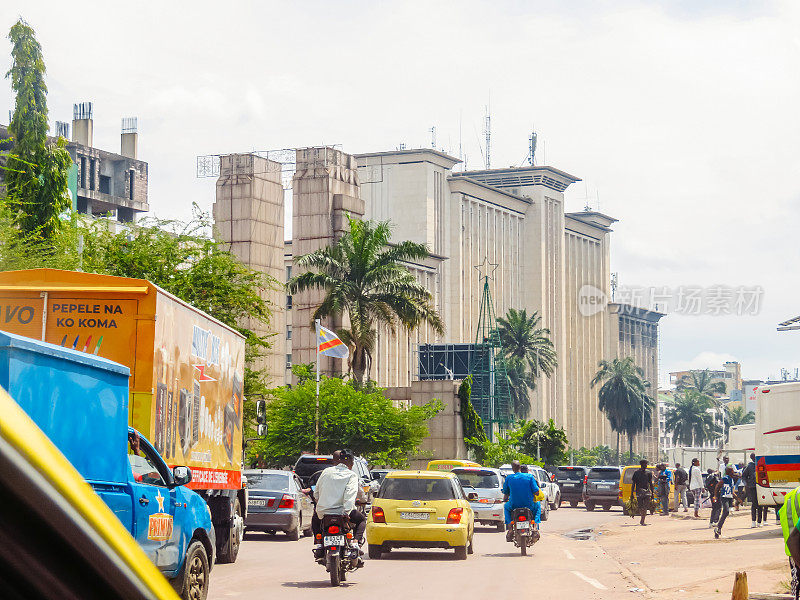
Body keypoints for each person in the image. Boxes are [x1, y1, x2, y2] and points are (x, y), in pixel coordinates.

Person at [312, 449, 366, 561]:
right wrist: (347, 511)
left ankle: (319, 545)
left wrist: (320, 505)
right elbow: (350, 494)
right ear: (351, 463)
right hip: (343, 513)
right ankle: (355, 543)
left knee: (315, 520)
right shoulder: (352, 475)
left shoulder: (326, 472)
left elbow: (316, 493)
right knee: (361, 520)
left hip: (324, 513)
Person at [502, 460, 541, 542]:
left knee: (506, 507)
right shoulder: (529, 477)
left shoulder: (509, 478)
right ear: (520, 467)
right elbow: (537, 492)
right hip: (529, 505)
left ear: (512, 469)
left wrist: (505, 499)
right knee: (538, 506)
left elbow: (505, 492)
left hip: (514, 505)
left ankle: (510, 529)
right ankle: (535, 527)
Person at [779, 486, 800, 599]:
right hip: (795, 543)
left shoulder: (790, 495)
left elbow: (780, 514)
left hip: (792, 546)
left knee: (796, 580)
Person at [713, 466, 736, 538]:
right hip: (724, 497)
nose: (733, 472)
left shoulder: (731, 479)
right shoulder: (725, 478)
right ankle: (718, 528)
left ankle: (718, 529)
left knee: (727, 512)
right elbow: (717, 486)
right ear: (728, 472)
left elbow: (732, 491)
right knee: (725, 511)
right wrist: (715, 496)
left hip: (729, 498)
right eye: (732, 471)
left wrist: (738, 499)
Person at [631, 459, 654, 526]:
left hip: (647, 492)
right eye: (645, 464)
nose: (646, 465)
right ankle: (642, 518)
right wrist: (631, 493)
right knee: (640, 506)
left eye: (646, 464)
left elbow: (650, 483)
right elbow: (633, 484)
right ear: (642, 464)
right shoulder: (636, 473)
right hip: (639, 492)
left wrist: (652, 493)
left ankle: (642, 520)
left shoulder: (649, 473)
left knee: (645, 506)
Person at [742, 453, 762, 528]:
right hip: (753, 487)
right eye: (753, 457)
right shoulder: (749, 466)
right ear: (751, 458)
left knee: (760, 504)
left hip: (761, 486)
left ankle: (759, 521)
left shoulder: (760, 464)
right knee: (754, 504)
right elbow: (743, 476)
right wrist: (746, 484)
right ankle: (753, 521)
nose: (754, 458)